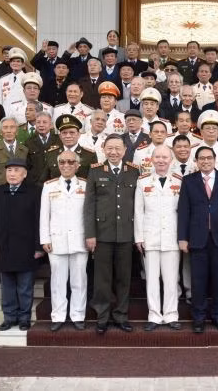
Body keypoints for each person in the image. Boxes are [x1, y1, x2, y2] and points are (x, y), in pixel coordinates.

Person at [177, 146, 218, 334]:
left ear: (215, 160)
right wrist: (182, 238)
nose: (205, 161)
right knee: (198, 281)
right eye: (201, 159)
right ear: (196, 161)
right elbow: (183, 211)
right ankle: (198, 318)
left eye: (209, 158)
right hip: (197, 239)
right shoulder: (189, 181)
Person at [84, 134, 140, 334]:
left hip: (126, 233)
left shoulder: (133, 171)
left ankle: (121, 316)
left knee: (124, 278)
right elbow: (89, 206)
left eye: (118, 148)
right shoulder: (96, 171)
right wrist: (90, 234)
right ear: (104, 149)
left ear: (125, 150)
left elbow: (139, 205)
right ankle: (102, 317)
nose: (114, 152)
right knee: (102, 279)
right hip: (102, 234)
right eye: (110, 148)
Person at [0, 158, 42, 331]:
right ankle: (9, 317)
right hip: (3, 246)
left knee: (25, 286)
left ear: (24, 174)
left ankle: (24, 318)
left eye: (17, 170)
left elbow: (40, 220)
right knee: (7, 286)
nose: (12, 174)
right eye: (9, 170)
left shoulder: (35, 192)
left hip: (27, 247)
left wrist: (39, 246)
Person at [134, 146, 183, 331]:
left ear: (171, 160)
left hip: (172, 236)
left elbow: (183, 212)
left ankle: (171, 314)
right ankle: (154, 315)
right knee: (152, 279)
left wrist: (182, 237)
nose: (161, 160)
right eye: (158, 157)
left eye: (165, 157)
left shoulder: (179, 181)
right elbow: (138, 211)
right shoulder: (142, 181)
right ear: (152, 160)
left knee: (171, 279)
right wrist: (139, 237)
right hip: (150, 236)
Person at [40, 150, 89, 331]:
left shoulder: (85, 184)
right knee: (58, 281)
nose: (66, 165)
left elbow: (88, 215)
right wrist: (44, 238)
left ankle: (78, 315)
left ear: (77, 165)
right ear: (58, 164)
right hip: (57, 240)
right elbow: (44, 215)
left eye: (70, 162)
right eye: (62, 162)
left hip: (79, 239)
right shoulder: (49, 186)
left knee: (79, 281)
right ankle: (58, 316)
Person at [45, 114, 98, 180]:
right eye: (64, 133)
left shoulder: (89, 155)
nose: (68, 136)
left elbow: (94, 180)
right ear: (60, 136)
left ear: (79, 134)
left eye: (72, 132)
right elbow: (44, 180)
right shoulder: (51, 154)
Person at [0, 117, 29, 185]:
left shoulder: (25, 150)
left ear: (17, 131)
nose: (8, 131)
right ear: (0, 132)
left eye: (12, 127)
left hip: (20, 190)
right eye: (5, 127)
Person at [191, 110, 218, 176]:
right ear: (201, 131)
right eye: (208, 128)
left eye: (214, 128)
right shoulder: (192, 150)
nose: (211, 131)